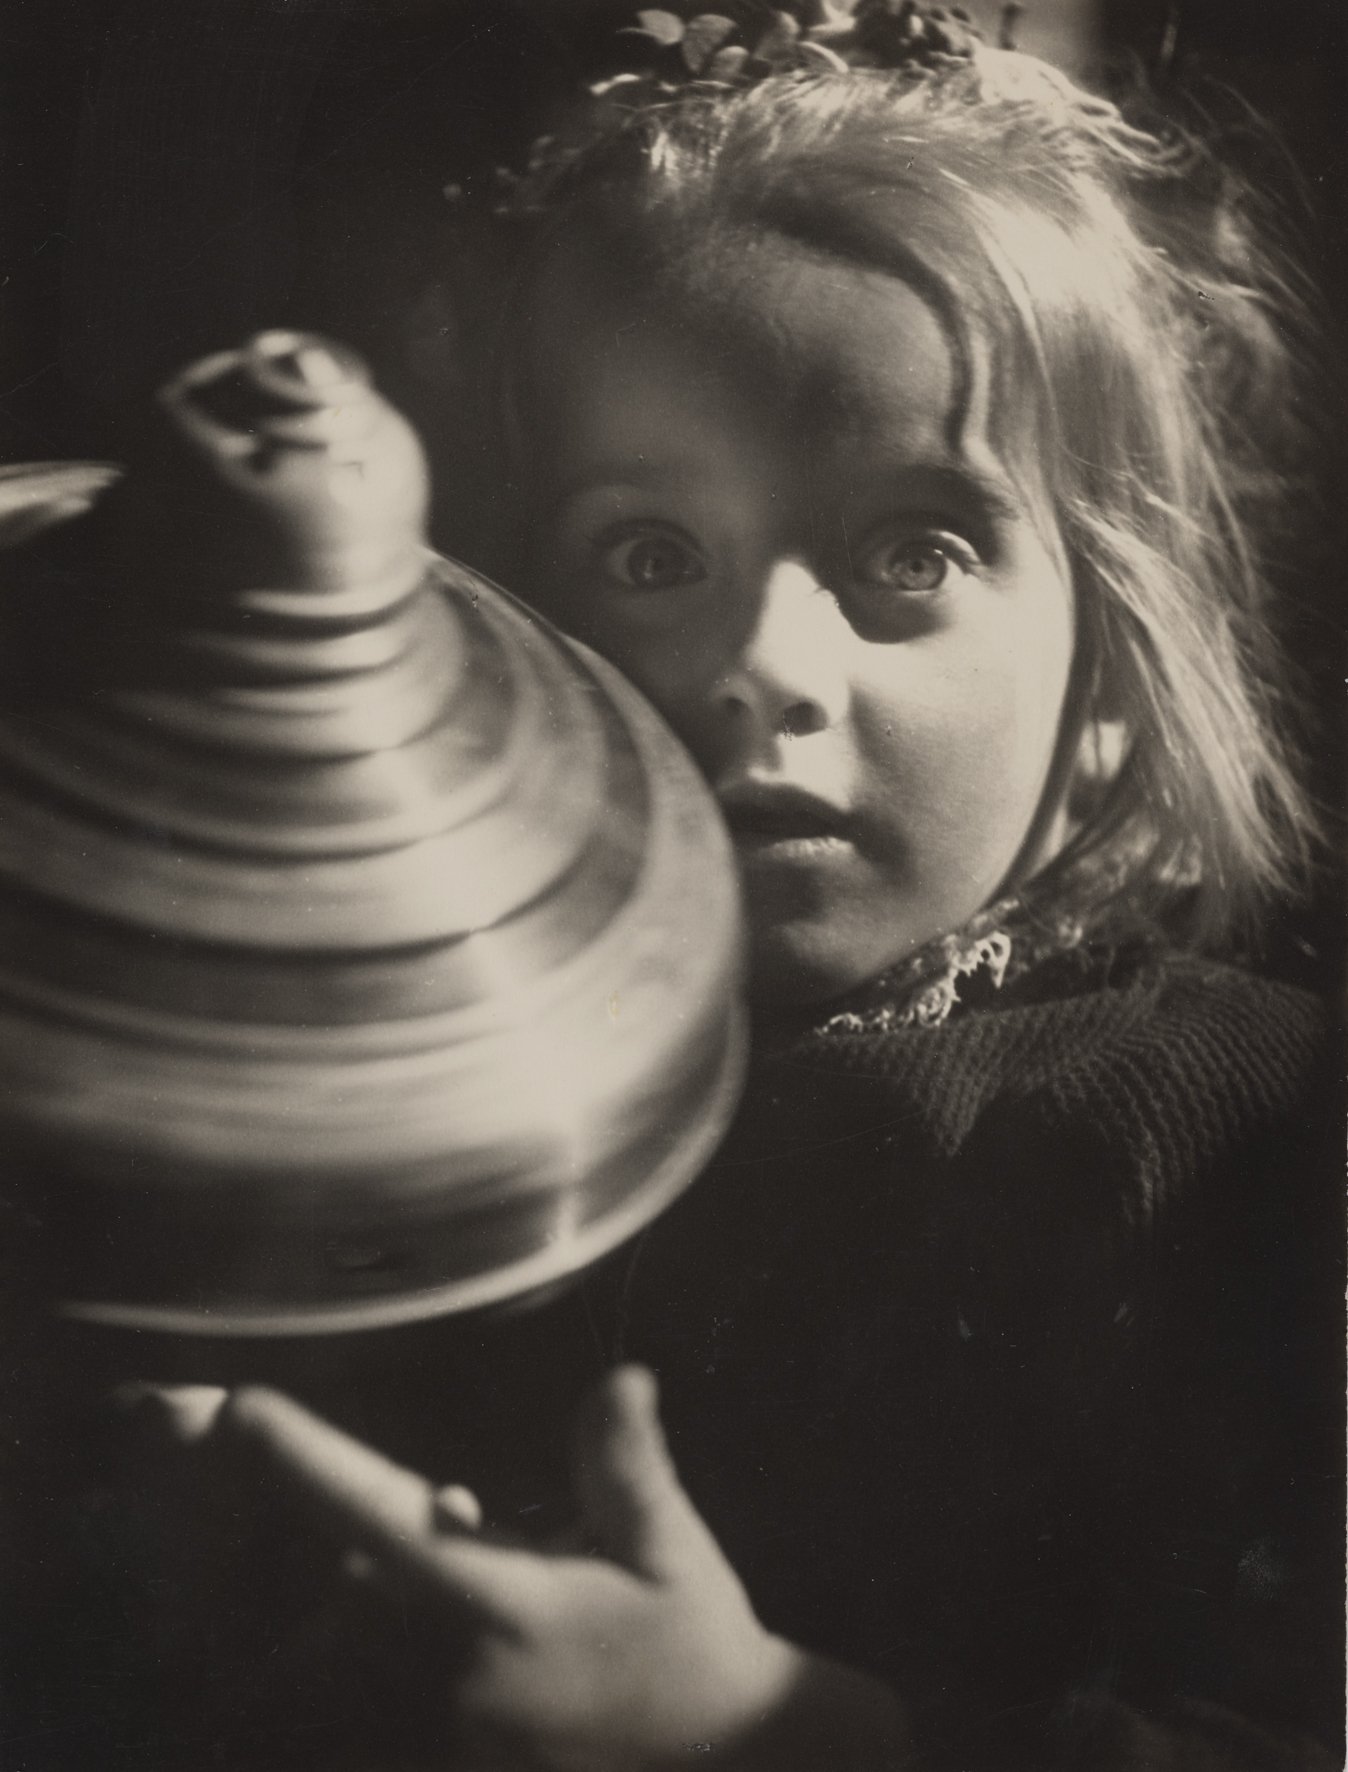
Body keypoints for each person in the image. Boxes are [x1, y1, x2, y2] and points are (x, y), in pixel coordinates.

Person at [101, 11, 1342, 1769]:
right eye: (653, 556)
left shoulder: (1247, 1132)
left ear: (1113, 684)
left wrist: (784, 1738)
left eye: (910, 550)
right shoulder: (448, 1087)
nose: (760, 664)